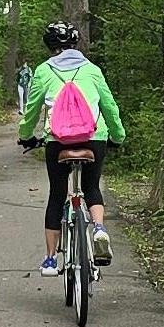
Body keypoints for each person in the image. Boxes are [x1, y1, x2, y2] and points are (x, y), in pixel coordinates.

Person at [19, 31, 127, 272]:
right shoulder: (92, 70)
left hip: (58, 140)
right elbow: (109, 106)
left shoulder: (44, 71)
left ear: (49, 46)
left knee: (57, 193)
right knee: (91, 188)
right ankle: (98, 228)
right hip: (93, 138)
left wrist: (26, 136)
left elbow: (31, 111)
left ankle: (49, 259)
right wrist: (117, 136)